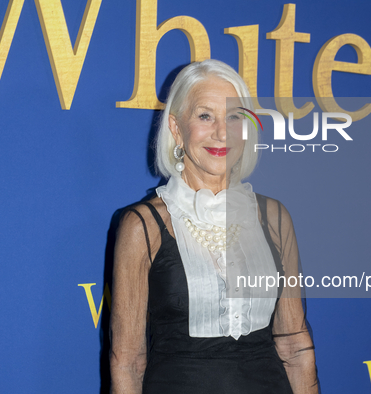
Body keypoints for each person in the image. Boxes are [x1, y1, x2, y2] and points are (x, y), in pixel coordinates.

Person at [109, 59, 319, 394]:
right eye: (205, 116)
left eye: (234, 117)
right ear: (177, 128)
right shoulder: (142, 227)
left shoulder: (275, 218)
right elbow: (128, 360)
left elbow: (294, 344)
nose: (222, 132)